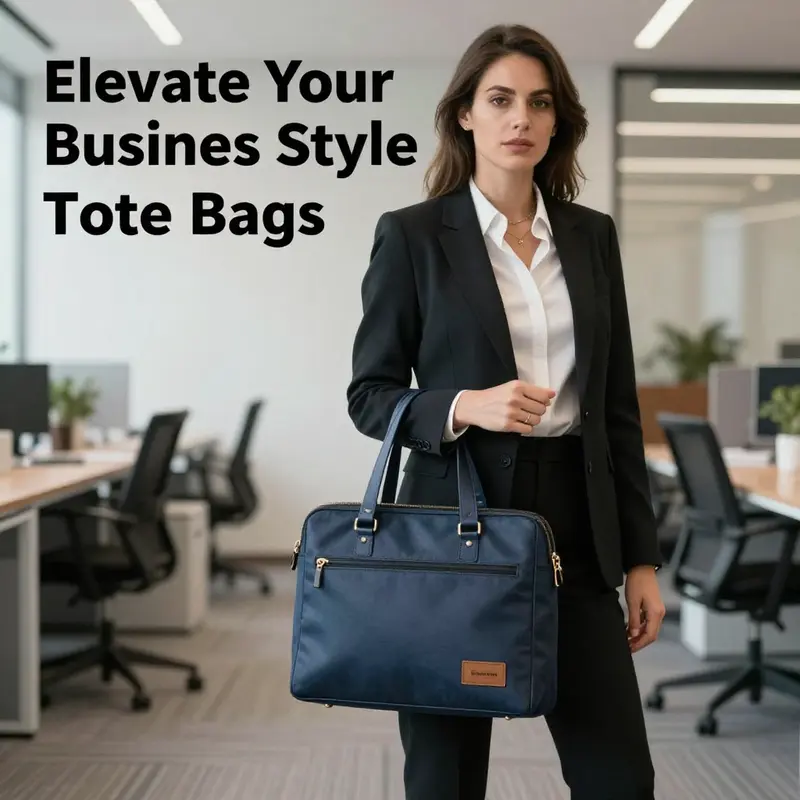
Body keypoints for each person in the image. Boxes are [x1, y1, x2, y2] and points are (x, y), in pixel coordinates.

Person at [346, 23, 666, 800]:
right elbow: (370, 395)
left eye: (539, 102)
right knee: (447, 774)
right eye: (500, 100)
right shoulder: (414, 236)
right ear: (466, 114)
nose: (520, 118)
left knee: (618, 775)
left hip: (578, 527)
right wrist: (464, 404)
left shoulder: (591, 239)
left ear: (557, 122)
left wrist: (642, 558)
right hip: (458, 520)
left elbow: (616, 407)